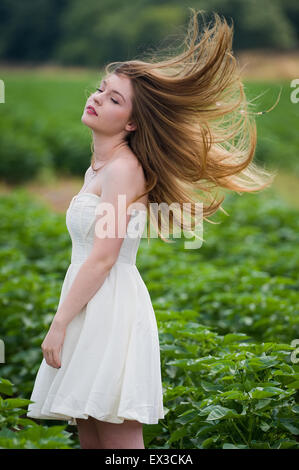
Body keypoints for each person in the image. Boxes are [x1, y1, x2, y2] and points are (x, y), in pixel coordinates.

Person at [27, 8, 277, 449]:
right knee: (90, 435)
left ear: (131, 123)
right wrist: (67, 316)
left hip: (109, 308)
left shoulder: (123, 170)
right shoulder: (97, 169)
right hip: (88, 302)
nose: (98, 98)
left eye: (114, 99)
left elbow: (104, 256)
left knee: (119, 442)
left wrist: (59, 322)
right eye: (102, 89)